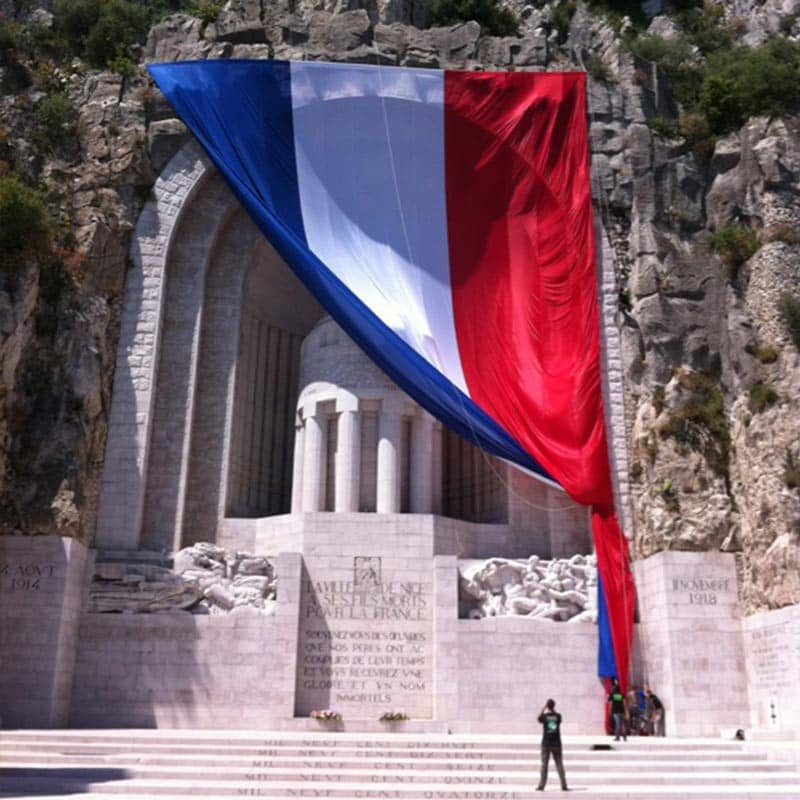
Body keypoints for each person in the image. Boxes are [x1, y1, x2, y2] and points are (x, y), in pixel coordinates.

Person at [536, 698, 569, 792]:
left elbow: (538, 718)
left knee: (544, 765)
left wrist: (543, 709)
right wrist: (553, 709)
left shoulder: (545, 717)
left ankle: (541, 785)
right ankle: (564, 785)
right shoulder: (558, 716)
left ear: (547, 706)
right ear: (554, 706)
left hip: (546, 743)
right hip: (556, 743)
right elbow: (558, 718)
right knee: (559, 764)